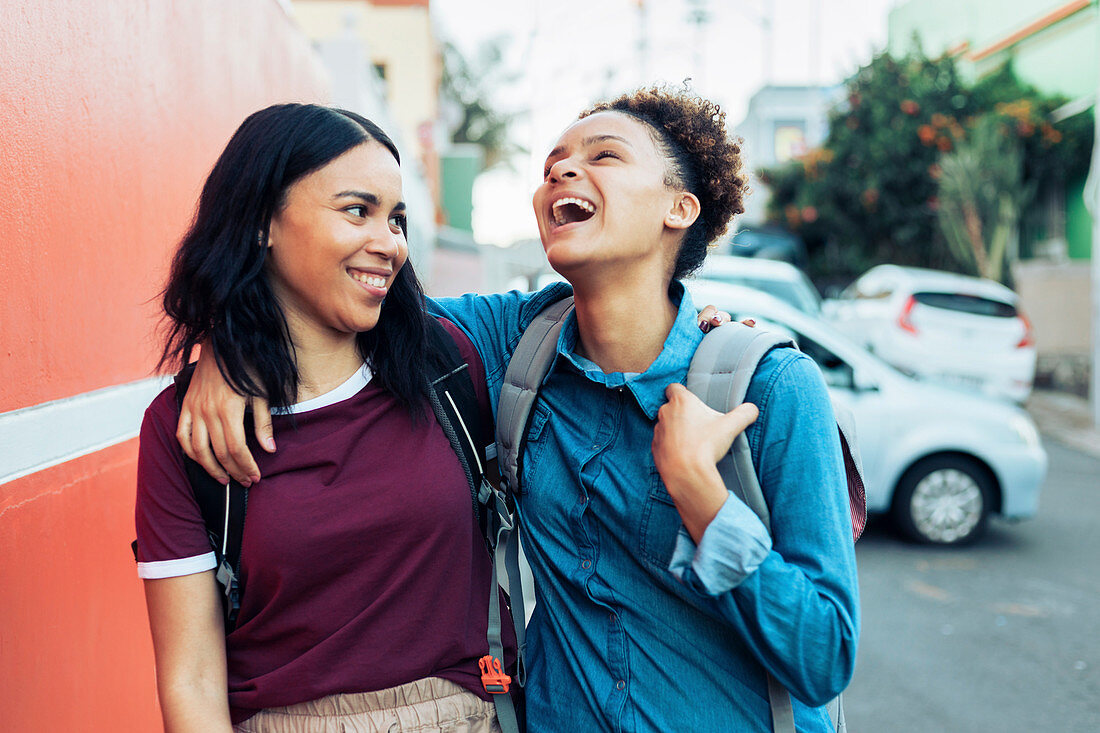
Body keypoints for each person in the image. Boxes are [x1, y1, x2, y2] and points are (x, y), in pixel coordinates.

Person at [180, 86, 859, 731]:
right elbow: (337, 305)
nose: (564, 170)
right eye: (553, 164)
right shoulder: (514, 345)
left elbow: (825, 657)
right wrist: (224, 345)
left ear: (679, 209)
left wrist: (704, 501)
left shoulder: (769, 388)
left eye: (605, 155)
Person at [135, 103, 516, 732]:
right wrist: (222, 347)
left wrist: (712, 340)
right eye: (356, 210)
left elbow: (601, 314)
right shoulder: (184, 429)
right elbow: (191, 679)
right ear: (261, 222)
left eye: (395, 219)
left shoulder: (452, 359)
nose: (388, 242)